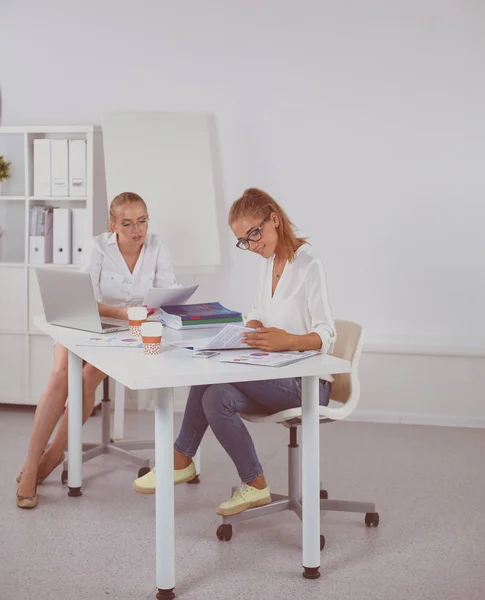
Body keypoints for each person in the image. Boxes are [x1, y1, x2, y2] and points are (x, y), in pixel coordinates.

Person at [133, 188, 336, 517]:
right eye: (245, 241)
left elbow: (327, 335)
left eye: (254, 234)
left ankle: (181, 459)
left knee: (210, 376)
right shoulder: (267, 264)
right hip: (270, 373)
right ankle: (255, 484)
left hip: (307, 382)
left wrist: (287, 340)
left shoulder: (310, 266)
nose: (253, 246)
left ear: (273, 219)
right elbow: (258, 311)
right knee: (215, 397)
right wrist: (252, 325)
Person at [16, 192, 179, 509]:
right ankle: (32, 462)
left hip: (126, 333)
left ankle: (53, 455)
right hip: (88, 321)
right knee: (62, 375)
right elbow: (84, 298)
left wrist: (147, 312)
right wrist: (124, 312)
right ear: (113, 225)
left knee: (87, 379)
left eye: (143, 221)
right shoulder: (98, 247)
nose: (137, 230)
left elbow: (169, 293)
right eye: (128, 223)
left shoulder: (157, 247)